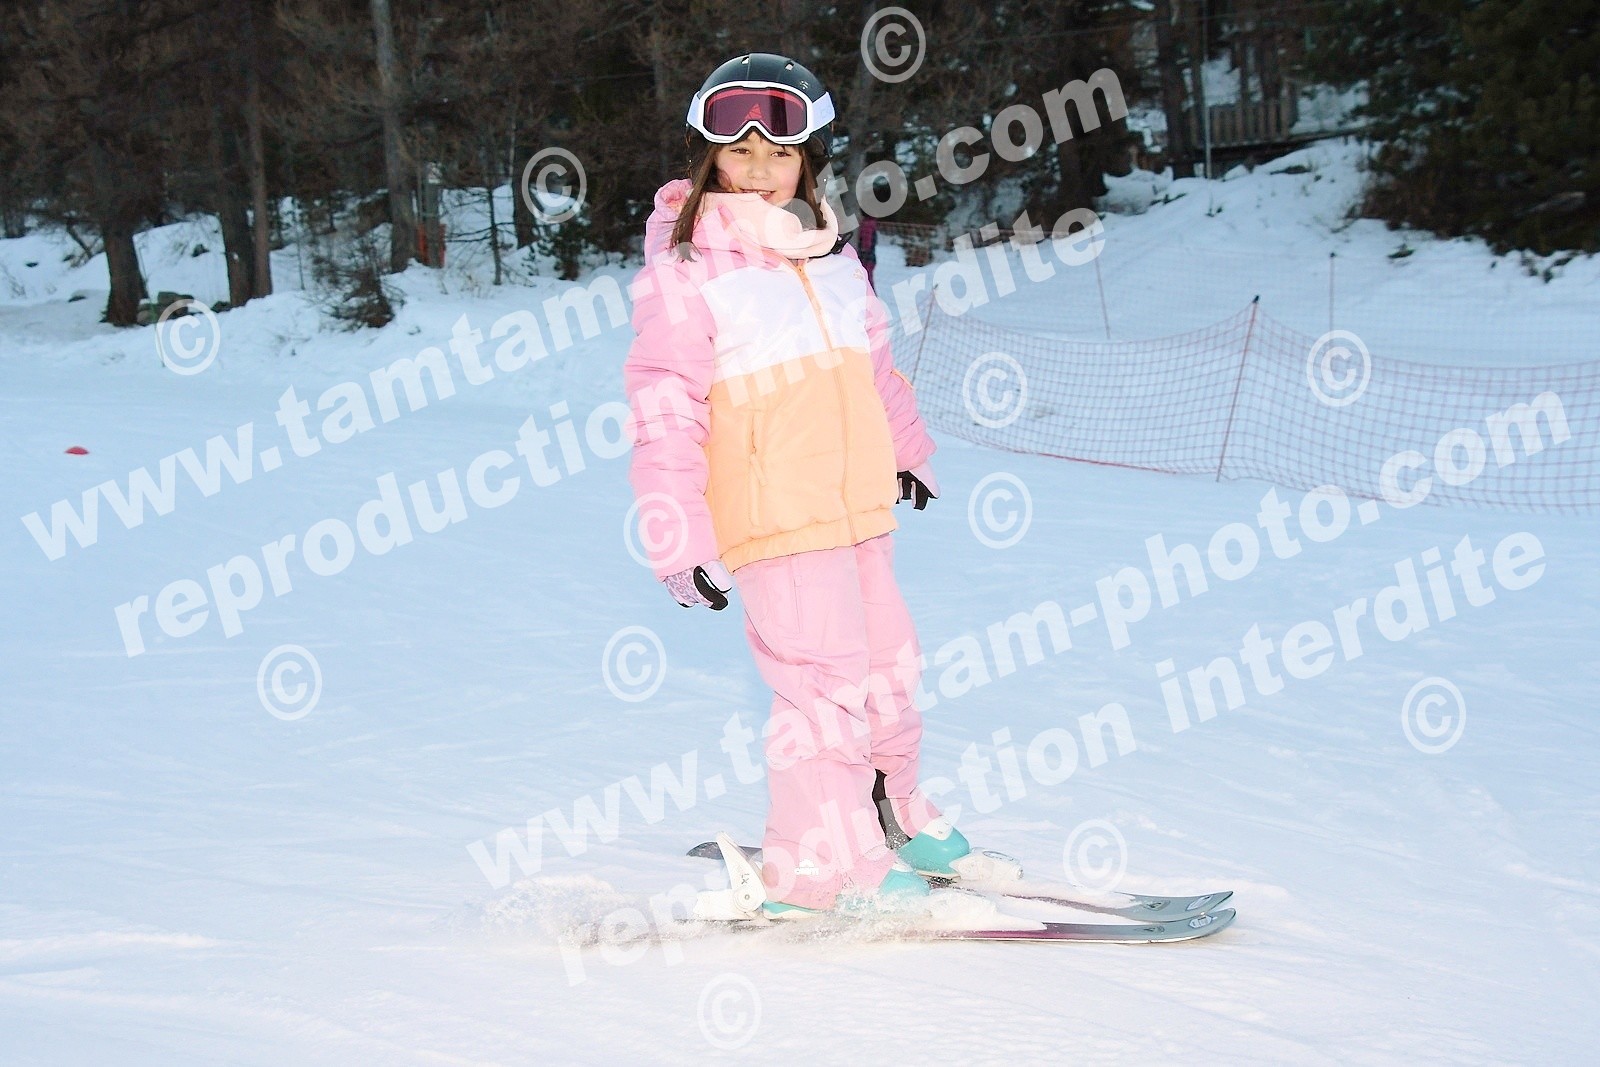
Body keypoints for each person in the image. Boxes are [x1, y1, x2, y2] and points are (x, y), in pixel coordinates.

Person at [624, 53, 980, 918]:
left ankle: (888, 813)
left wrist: (906, 450)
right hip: (774, 513)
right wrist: (677, 535)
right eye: (739, 152)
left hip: (855, 504)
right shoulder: (686, 269)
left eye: (778, 153)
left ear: (806, 160)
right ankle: (816, 866)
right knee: (821, 684)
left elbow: (875, 367)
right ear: (710, 157)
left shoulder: (830, 255)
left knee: (889, 665)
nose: (759, 169)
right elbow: (664, 406)